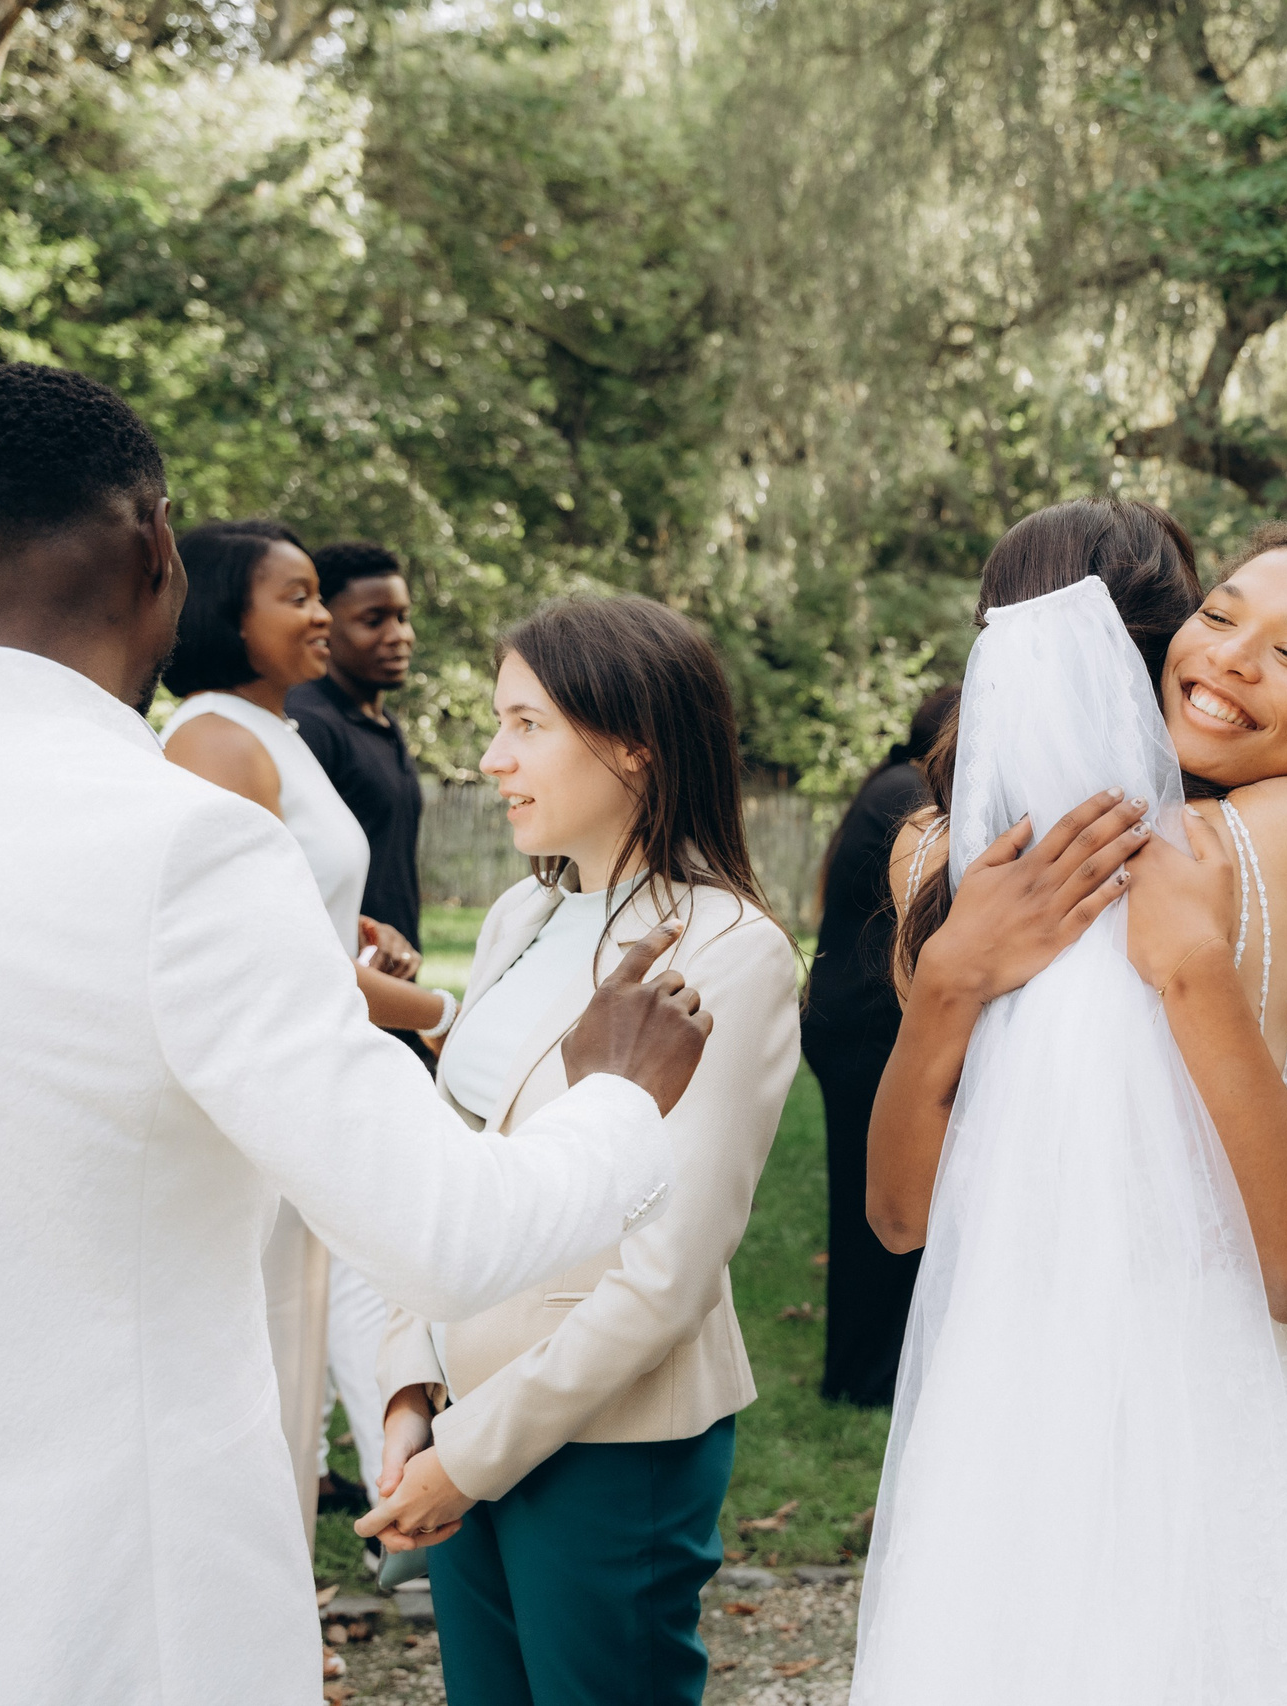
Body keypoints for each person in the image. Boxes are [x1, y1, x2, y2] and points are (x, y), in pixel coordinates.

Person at [0, 362, 702, 1702]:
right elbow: (445, 1232)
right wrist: (620, 1092)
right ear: (159, 548)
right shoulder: (181, 844)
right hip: (109, 1600)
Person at [858, 508, 1287, 1703]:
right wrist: (946, 980)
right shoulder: (981, 873)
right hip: (1081, 1406)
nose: (1233, 658)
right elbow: (899, 1215)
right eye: (1218, 615)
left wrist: (1194, 960)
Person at [359, 596, 801, 1706]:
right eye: (498, 723)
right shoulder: (517, 914)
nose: (491, 757)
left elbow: (667, 1275)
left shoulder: (731, 949)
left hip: (608, 1440)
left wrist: (473, 1456)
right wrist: (413, 1388)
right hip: (457, 1411)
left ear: (633, 743)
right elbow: (450, 1161)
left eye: (526, 724)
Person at [160, 519, 448, 1527]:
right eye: (296, 597)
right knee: (269, 1347)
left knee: (318, 1328)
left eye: (320, 594)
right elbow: (268, 957)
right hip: (264, 1090)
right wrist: (442, 1011)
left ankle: (327, 1561)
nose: (321, 615)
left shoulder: (276, 730)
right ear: (224, 614)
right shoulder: (212, 740)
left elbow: (308, 913)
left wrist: (368, 936)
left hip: (320, 1075)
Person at [803, 681, 955, 1407]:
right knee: (872, 1214)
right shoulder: (910, 799)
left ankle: (867, 1370)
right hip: (865, 1027)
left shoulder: (895, 783)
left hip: (847, 1022)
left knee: (865, 1207)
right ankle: (864, 1378)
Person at [289, 540, 427, 1058]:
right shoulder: (308, 724)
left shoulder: (383, 723)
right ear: (326, 623)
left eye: (403, 617)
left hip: (393, 979)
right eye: (374, 620)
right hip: (341, 987)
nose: (399, 635)